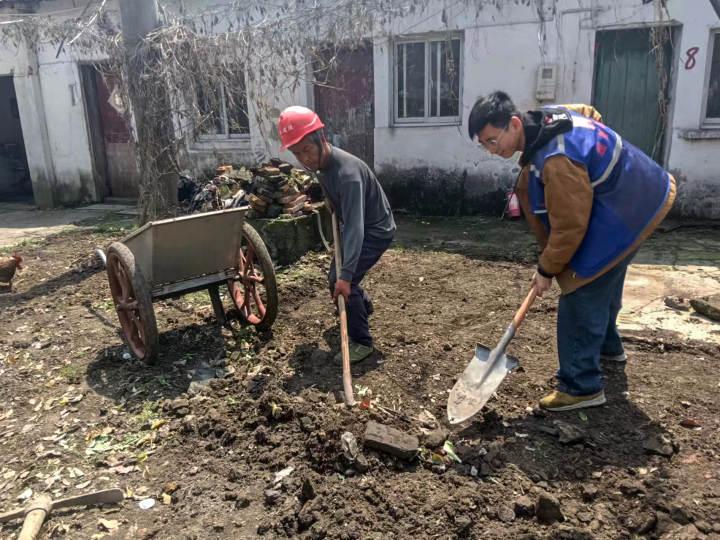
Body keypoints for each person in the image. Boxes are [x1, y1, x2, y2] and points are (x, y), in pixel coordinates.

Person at [467, 91, 676, 411]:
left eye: (493, 141)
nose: (492, 150)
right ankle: (607, 348)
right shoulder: (549, 117)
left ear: (514, 124)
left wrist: (547, 269)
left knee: (581, 289)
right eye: (485, 145)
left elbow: (569, 226)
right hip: (641, 193)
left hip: (625, 210)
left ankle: (581, 385)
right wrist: (595, 165)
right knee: (605, 281)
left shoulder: (557, 161)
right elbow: (591, 113)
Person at [278, 106, 396, 363]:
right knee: (341, 280)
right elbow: (338, 199)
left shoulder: (347, 175)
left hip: (376, 230)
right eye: (297, 154)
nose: (305, 159)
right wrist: (330, 201)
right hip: (359, 225)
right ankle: (362, 305)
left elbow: (355, 227)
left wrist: (346, 277)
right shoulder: (323, 166)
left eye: (307, 150)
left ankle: (362, 342)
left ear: (321, 138)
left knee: (340, 281)